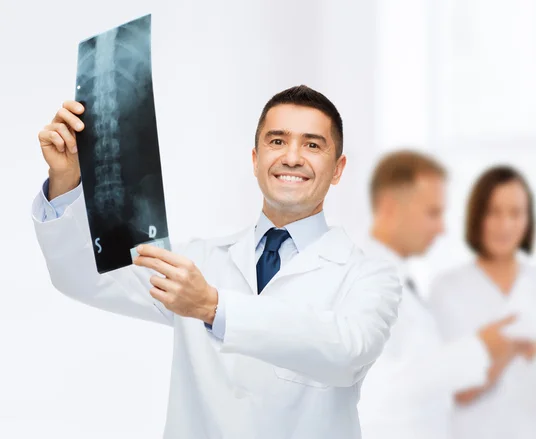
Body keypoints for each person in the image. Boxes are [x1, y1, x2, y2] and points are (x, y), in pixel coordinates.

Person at [32, 85, 402, 439]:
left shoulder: (369, 275)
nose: (292, 156)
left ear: (338, 169)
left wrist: (213, 307)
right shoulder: (196, 261)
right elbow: (84, 278)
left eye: (312, 145)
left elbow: (347, 353)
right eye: (277, 141)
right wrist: (65, 180)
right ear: (256, 161)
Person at [358, 151, 523, 439]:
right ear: (389, 208)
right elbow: (380, 389)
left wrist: (489, 356)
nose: (442, 228)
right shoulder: (362, 280)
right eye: (432, 213)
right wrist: (479, 348)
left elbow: (423, 380)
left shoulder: (399, 279)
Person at [429, 165, 536, 439]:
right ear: (477, 216)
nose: (505, 225)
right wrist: (505, 352)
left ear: (528, 219)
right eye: (494, 212)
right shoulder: (447, 289)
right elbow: (454, 392)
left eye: (515, 213)